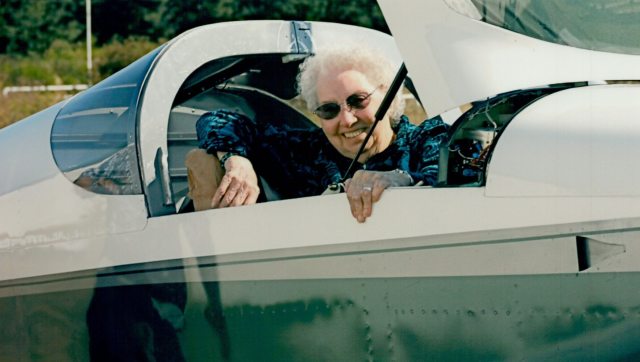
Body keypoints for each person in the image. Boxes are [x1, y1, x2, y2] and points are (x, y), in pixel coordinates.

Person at [193, 44, 449, 222]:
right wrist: (236, 160)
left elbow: (457, 174)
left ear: (387, 96)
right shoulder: (305, 150)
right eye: (329, 110)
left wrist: (400, 179)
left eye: (358, 100)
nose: (347, 120)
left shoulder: (427, 138)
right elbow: (216, 119)